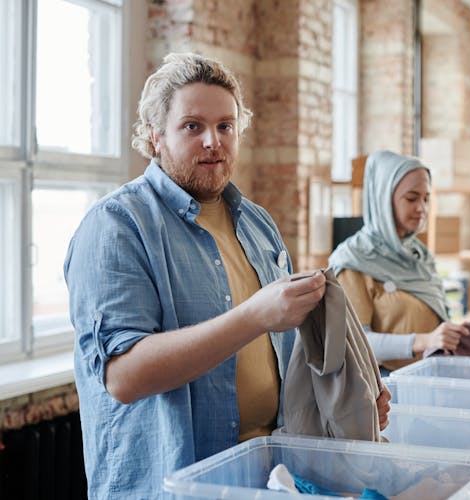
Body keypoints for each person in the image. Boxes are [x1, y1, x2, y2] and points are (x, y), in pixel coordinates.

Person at [64, 53, 389, 499]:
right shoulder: (116, 227)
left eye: (225, 126)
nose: (213, 141)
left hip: (270, 481)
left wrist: (354, 397)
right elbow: (124, 377)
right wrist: (253, 316)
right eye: (192, 126)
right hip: (172, 488)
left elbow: (290, 360)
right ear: (156, 136)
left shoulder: (258, 225)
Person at [328, 150, 470, 374]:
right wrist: (424, 341)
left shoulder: (419, 256)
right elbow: (354, 343)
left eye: (426, 198)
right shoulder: (353, 262)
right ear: (383, 199)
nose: (422, 208)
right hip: (385, 392)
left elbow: (434, 326)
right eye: (411, 198)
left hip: (427, 380)